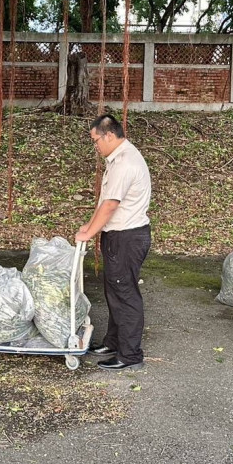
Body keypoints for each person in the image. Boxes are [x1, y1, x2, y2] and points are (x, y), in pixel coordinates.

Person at [75, 113, 151, 371]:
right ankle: (113, 342)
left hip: (126, 237)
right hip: (119, 235)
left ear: (109, 135)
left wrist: (89, 234)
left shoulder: (125, 162)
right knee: (115, 290)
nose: (95, 146)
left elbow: (110, 205)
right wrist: (90, 225)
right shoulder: (118, 158)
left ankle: (130, 355)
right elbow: (105, 202)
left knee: (125, 293)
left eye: (96, 140)